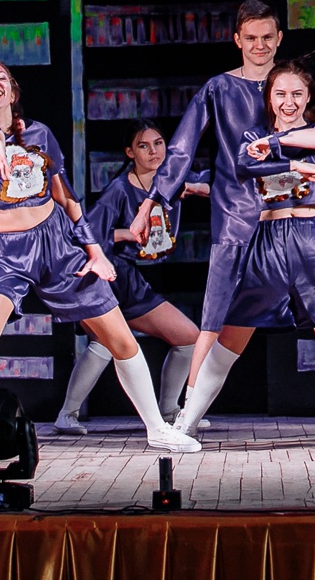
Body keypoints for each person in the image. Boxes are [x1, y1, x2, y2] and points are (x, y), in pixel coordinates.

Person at [0, 61, 199, 454]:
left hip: (57, 243)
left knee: (120, 339)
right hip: (6, 251)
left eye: (1, 77)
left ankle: (157, 428)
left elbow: (66, 196)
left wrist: (95, 251)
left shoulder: (38, 133)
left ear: (13, 91)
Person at [134, 0, 315, 439]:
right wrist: (154, 199)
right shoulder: (219, 89)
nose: (259, 45)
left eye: (267, 37)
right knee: (216, 322)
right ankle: (186, 417)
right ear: (237, 39)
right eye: (251, 38)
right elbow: (181, 148)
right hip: (236, 221)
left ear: (279, 38)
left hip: (296, 218)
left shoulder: (296, 90)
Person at [165, 63, 315, 438]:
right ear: (269, 98)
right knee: (229, 338)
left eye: (297, 94)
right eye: (280, 94)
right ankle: (185, 424)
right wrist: (291, 161)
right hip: (268, 242)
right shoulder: (254, 135)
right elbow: (244, 163)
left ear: (308, 96)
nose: (289, 102)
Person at [53, 122, 209, 435]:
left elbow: (216, 185)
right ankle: (67, 414)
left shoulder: (172, 179)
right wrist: (125, 233)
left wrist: (196, 188)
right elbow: (83, 235)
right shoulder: (119, 190)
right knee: (105, 342)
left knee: (186, 338)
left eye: (159, 143)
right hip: (112, 274)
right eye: (143, 146)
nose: (153, 152)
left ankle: (169, 410)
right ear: (130, 152)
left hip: (136, 277)